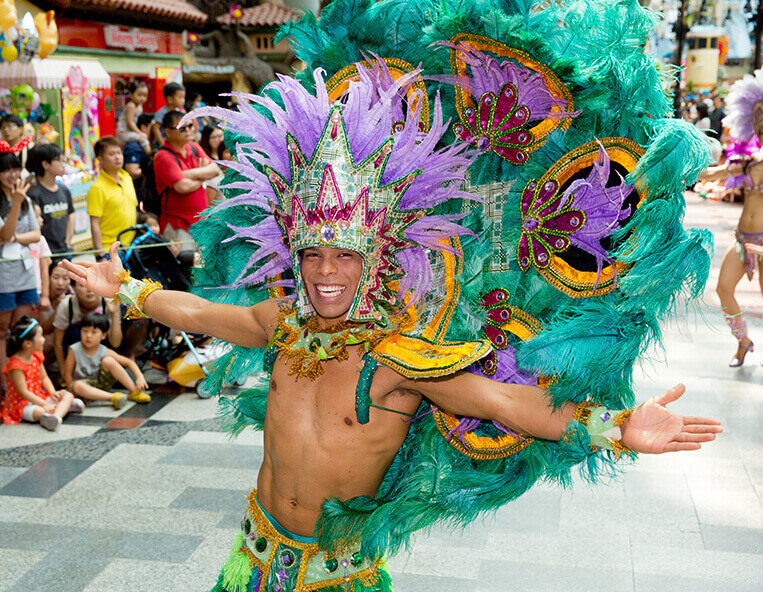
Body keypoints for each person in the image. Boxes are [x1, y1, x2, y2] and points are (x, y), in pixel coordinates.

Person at [62, 56, 722, 592]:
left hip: (337, 575)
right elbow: (206, 313)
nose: (325, 272)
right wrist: (124, 285)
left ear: (374, 262)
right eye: (312, 254)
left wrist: (613, 426)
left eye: (343, 256)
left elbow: (504, 403)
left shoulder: (398, 359)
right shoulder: (286, 324)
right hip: (252, 560)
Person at [700, 69, 763, 366]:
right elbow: (712, 173)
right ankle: (743, 341)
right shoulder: (748, 162)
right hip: (742, 238)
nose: (761, 122)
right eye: (757, 115)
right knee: (724, 289)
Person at [153, 110, 220, 250]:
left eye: (190, 126)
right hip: (178, 226)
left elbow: (215, 170)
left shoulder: (194, 147)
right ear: (168, 131)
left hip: (200, 224)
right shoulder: (163, 156)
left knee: (200, 268)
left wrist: (185, 174)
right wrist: (202, 178)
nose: (188, 130)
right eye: (182, 128)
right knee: (183, 267)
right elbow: (182, 186)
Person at [1, 316, 82, 430]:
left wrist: (52, 392)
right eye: (40, 336)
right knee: (40, 411)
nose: (44, 339)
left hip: (38, 397)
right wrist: (44, 404)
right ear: (28, 343)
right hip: (21, 405)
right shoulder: (16, 366)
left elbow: (44, 378)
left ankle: (56, 417)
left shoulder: (36, 356)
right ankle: (62, 409)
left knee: (68, 395)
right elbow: (23, 392)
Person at [0, 153, 36, 393]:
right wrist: (15, 203)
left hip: (26, 271)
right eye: (6, 170)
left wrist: (15, 238)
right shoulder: (17, 199)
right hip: (3, 274)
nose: (13, 175)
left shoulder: (26, 200)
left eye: (16, 169)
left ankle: (25, 380)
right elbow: (3, 235)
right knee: (2, 331)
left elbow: (36, 234)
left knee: (22, 328)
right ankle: (5, 384)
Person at [63, 312, 149, 407]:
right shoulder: (74, 350)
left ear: (103, 335)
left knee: (109, 361)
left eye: (94, 332)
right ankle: (113, 397)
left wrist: (139, 377)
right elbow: (68, 375)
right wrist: (74, 394)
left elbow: (129, 362)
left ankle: (134, 391)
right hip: (84, 386)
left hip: (102, 384)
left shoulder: (104, 351)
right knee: (76, 385)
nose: (88, 336)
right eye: (85, 331)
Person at [52, 280, 122, 377]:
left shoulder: (110, 303)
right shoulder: (67, 305)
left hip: (101, 355)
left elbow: (116, 343)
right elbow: (57, 342)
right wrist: (63, 370)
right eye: (83, 285)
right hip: (74, 358)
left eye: (93, 285)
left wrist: (114, 313)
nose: (89, 290)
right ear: (74, 288)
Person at [86, 136, 138, 256]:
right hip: (109, 250)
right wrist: (100, 255)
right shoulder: (97, 188)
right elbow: (94, 223)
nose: (117, 157)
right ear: (100, 159)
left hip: (130, 246)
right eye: (111, 154)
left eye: (119, 153)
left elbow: (134, 208)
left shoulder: (127, 178)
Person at [27, 143, 74, 259]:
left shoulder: (64, 190)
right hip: (44, 253)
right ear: (45, 164)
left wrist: (67, 241)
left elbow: (71, 215)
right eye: (60, 161)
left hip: (64, 250)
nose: (64, 165)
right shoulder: (33, 194)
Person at [116, 81, 151, 153]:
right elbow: (130, 122)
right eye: (139, 95)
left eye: (145, 95)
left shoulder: (139, 106)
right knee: (143, 139)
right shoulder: (131, 105)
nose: (142, 98)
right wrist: (139, 133)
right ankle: (151, 156)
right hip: (123, 132)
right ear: (131, 94)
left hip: (130, 131)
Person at [150, 82, 186, 148]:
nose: (183, 100)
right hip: (163, 142)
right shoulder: (162, 112)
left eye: (183, 97)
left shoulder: (178, 112)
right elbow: (155, 128)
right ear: (170, 99)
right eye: (180, 97)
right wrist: (162, 143)